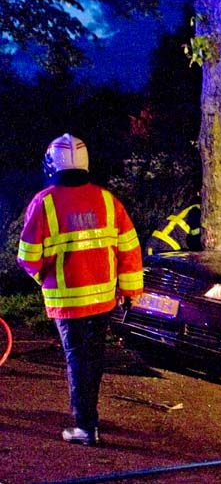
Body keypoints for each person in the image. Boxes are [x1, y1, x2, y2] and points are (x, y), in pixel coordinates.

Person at [16, 134, 143, 446]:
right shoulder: (107, 200)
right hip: (103, 300)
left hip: (67, 300)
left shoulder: (44, 202)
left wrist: (45, 278)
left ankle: (85, 426)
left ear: (51, 164)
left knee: (77, 359)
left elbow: (28, 257)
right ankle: (90, 419)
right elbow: (129, 248)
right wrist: (129, 290)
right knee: (95, 358)